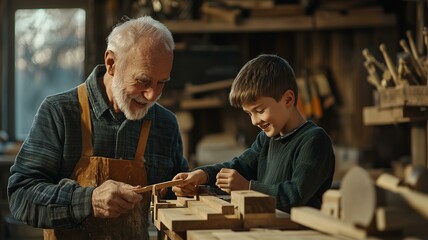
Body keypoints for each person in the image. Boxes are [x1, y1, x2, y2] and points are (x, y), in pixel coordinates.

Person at [8, 16, 188, 240]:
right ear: (112, 64)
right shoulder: (60, 113)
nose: (152, 95)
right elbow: (20, 196)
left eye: (161, 82)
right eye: (143, 80)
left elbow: (176, 197)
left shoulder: (165, 124)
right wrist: (89, 201)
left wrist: (188, 192)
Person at [172, 54, 335, 213]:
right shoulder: (266, 139)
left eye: (260, 110)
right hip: (268, 229)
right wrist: (201, 176)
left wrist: (247, 187)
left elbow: (296, 195)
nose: (255, 121)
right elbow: (240, 166)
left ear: (288, 99)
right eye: (250, 114)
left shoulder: (314, 140)